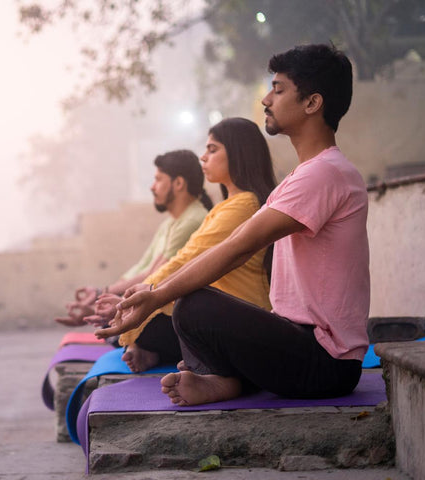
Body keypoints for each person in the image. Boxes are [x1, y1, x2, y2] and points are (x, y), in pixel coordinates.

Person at [100, 44, 370, 406]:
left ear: (312, 103)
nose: (266, 101)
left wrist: (157, 296)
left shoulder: (325, 173)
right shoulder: (302, 176)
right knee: (195, 306)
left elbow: (237, 247)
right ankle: (226, 379)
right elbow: (216, 250)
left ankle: (224, 379)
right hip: (300, 343)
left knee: (193, 305)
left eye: (278, 89)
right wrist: (154, 292)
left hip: (326, 362)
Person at [95, 117, 277, 372]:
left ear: (238, 153)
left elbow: (187, 260)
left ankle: (157, 350)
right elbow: (180, 259)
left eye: (212, 150)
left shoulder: (243, 205)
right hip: (226, 312)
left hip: (242, 315)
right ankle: (157, 353)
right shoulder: (228, 206)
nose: (203, 157)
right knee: (138, 320)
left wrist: (136, 299)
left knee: (167, 319)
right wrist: (135, 296)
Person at [55, 149, 212, 327]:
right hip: (153, 303)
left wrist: (107, 299)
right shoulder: (170, 224)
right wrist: (102, 299)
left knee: (124, 331)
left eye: (158, 179)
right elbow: (143, 269)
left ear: (178, 183)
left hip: (172, 314)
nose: (152, 186)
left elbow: (152, 276)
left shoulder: (191, 221)